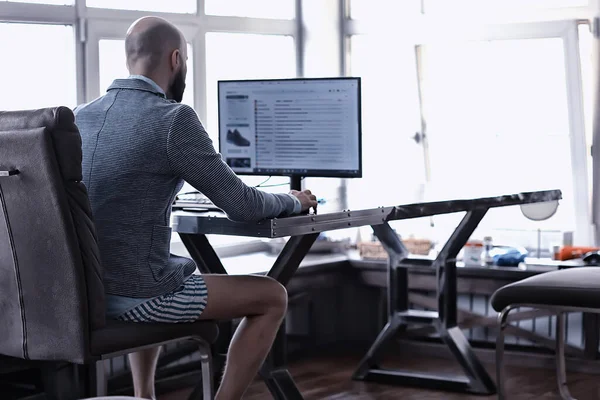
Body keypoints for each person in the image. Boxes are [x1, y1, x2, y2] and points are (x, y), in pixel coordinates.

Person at [74, 16, 317, 400]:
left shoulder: (78, 117)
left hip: (86, 294)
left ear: (129, 60)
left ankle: (144, 395)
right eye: (185, 59)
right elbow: (242, 204)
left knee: (159, 261)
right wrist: (294, 200)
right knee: (272, 296)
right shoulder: (173, 118)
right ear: (176, 60)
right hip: (140, 296)